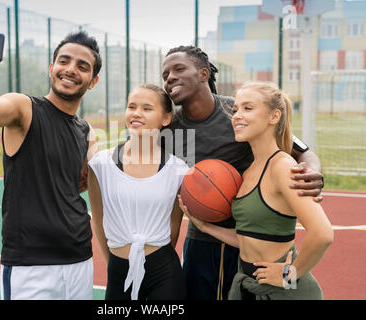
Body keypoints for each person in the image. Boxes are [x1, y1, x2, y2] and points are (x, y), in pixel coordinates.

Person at [0, 30, 102, 300]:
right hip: (30, 265)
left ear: (92, 81)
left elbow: (82, 183)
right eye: (64, 61)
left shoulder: (86, 131)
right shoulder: (23, 108)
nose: (70, 69)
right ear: (51, 68)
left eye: (82, 66)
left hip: (79, 259)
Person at [161, 45, 325, 300]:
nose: (170, 77)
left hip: (248, 240)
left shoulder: (237, 113)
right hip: (201, 237)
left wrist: (312, 170)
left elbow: (301, 149)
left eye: (179, 69)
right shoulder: (169, 130)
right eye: (165, 74)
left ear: (204, 74)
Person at [87, 84, 189, 300]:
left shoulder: (179, 170)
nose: (136, 113)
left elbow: (174, 226)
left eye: (147, 108)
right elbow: (98, 219)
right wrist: (115, 263)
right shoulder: (100, 164)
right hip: (117, 271)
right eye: (131, 106)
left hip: (163, 273)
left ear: (166, 118)